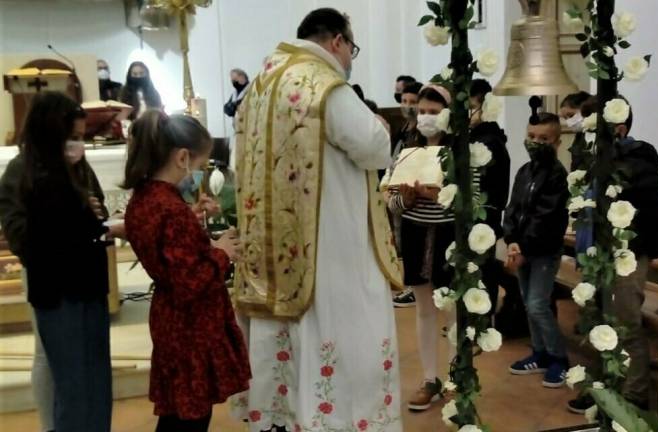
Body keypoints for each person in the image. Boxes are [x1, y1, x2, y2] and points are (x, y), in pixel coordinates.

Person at [232, 8, 402, 431]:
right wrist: (380, 123)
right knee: (340, 331)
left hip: (271, 254)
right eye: (352, 50)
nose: (349, 61)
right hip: (329, 249)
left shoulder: (258, 86)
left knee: (288, 341)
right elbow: (375, 148)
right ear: (337, 42)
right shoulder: (325, 86)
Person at [122, 111, 250, 432]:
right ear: (182, 157)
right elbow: (189, 281)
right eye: (199, 165)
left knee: (178, 412)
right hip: (190, 327)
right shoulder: (170, 209)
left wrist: (190, 217)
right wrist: (221, 253)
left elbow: (165, 246)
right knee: (190, 418)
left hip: (170, 321)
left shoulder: (146, 198)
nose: (197, 174)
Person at [19, 91, 121, 432]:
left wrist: (94, 218)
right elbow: (38, 240)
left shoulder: (74, 170)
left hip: (88, 289)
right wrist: (85, 218)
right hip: (60, 295)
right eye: (73, 137)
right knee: (75, 391)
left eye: (81, 137)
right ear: (52, 134)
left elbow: (94, 213)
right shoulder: (35, 177)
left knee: (97, 386)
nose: (78, 145)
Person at [568, 97, 658, 413]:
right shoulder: (590, 159)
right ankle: (601, 386)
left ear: (620, 130)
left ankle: (634, 391)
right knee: (597, 322)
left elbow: (650, 211)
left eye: (592, 131)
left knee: (625, 321)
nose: (585, 138)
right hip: (594, 252)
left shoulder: (639, 163)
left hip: (625, 254)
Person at [386, 84, 479, 411]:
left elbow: (473, 204)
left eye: (433, 111)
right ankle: (430, 379)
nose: (426, 117)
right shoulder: (407, 150)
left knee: (452, 309)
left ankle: (456, 377)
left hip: (447, 237)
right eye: (422, 111)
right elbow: (391, 200)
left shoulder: (461, 153)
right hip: (414, 233)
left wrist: (437, 195)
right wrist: (406, 197)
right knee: (423, 308)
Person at [504, 112, 570, 388]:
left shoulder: (557, 175)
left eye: (543, 139)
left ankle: (558, 358)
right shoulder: (524, 171)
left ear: (556, 143)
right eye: (531, 137)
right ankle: (539, 353)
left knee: (537, 304)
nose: (535, 142)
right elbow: (513, 209)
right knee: (528, 303)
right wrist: (511, 239)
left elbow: (546, 217)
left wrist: (525, 246)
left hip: (543, 251)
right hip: (522, 249)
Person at [469, 78, 511, 313]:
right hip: (474, 215)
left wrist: (486, 218)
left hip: (484, 217)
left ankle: (482, 320)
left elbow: (494, 189)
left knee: (484, 272)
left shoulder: (491, 142)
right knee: (473, 270)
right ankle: (472, 317)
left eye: (470, 107)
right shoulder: (474, 137)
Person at [390, 81, 424, 308]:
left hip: (414, 196)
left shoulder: (421, 133)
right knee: (400, 239)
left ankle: (415, 289)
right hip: (397, 194)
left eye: (413, 102)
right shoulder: (403, 129)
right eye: (404, 101)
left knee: (413, 245)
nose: (408, 106)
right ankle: (408, 284)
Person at [559, 91, 593, 171]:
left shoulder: (601, 135)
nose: (569, 122)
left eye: (571, 115)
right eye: (565, 118)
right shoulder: (579, 137)